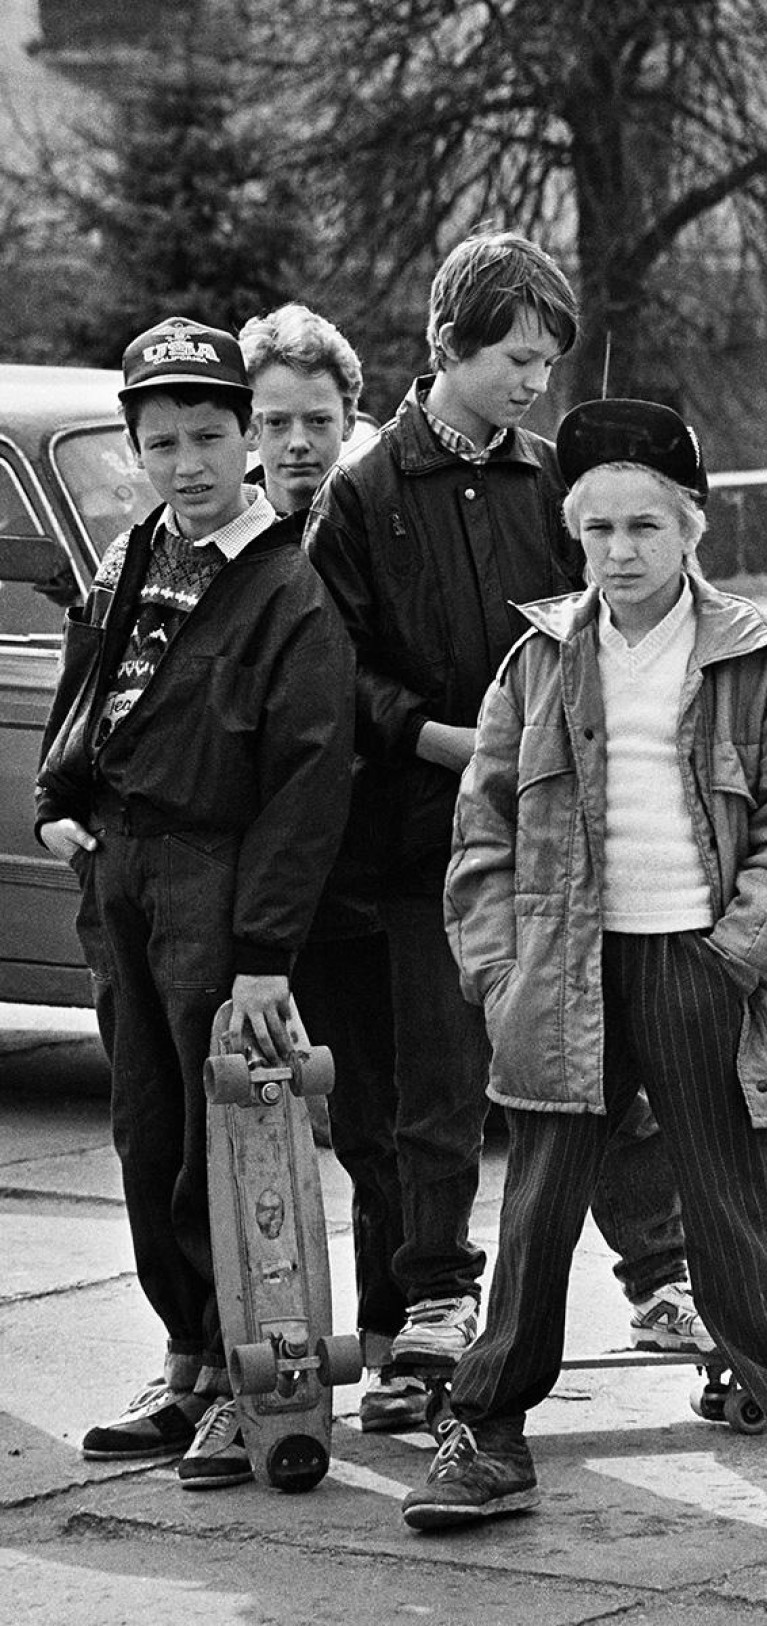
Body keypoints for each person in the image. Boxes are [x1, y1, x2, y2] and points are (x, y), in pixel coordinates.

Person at [400, 397, 767, 1547]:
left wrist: (740, 954)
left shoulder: (759, 660)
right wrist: (496, 973)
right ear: (573, 537)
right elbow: (480, 834)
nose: (620, 552)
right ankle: (485, 1433)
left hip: (701, 966)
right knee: (536, 1214)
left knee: (739, 1214)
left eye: (645, 527)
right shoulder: (535, 662)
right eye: (597, 531)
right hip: (561, 972)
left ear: (691, 529)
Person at [304, 232, 712, 1431]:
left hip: (561, 837)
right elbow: (338, 673)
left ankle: (664, 1278)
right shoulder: (363, 496)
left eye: (547, 360)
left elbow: (594, 626)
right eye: (517, 358)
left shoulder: (548, 483)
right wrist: (445, 740)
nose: (537, 381)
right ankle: (436, 1298)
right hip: (423, 843)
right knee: (441, 1079)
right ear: (446, 350)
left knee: (600, 1059)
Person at [34, 315, 354, 1489]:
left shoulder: (286, 590)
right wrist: (54, 802)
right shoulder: (127, 561)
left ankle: (246, 1377)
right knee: (144, 1125)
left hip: (217, 887)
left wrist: (264, 953)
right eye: (161, 441)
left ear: (248, 441)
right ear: (136, 445)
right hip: (118, 871)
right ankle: (184, 1366)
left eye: (210, 436)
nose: (188, 464)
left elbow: (306, 786)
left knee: (231, 1139)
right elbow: (87, 698)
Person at [239, 302, 408, 1429]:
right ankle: (252, 1355)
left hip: (359, 882)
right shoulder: (229, 547)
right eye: (277, 421)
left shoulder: (368, 536)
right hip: (251, 894)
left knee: (377, 1126)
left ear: (353, 420)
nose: (299, 443)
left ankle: (396, 1338)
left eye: (320, 419)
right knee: (247, 1133)